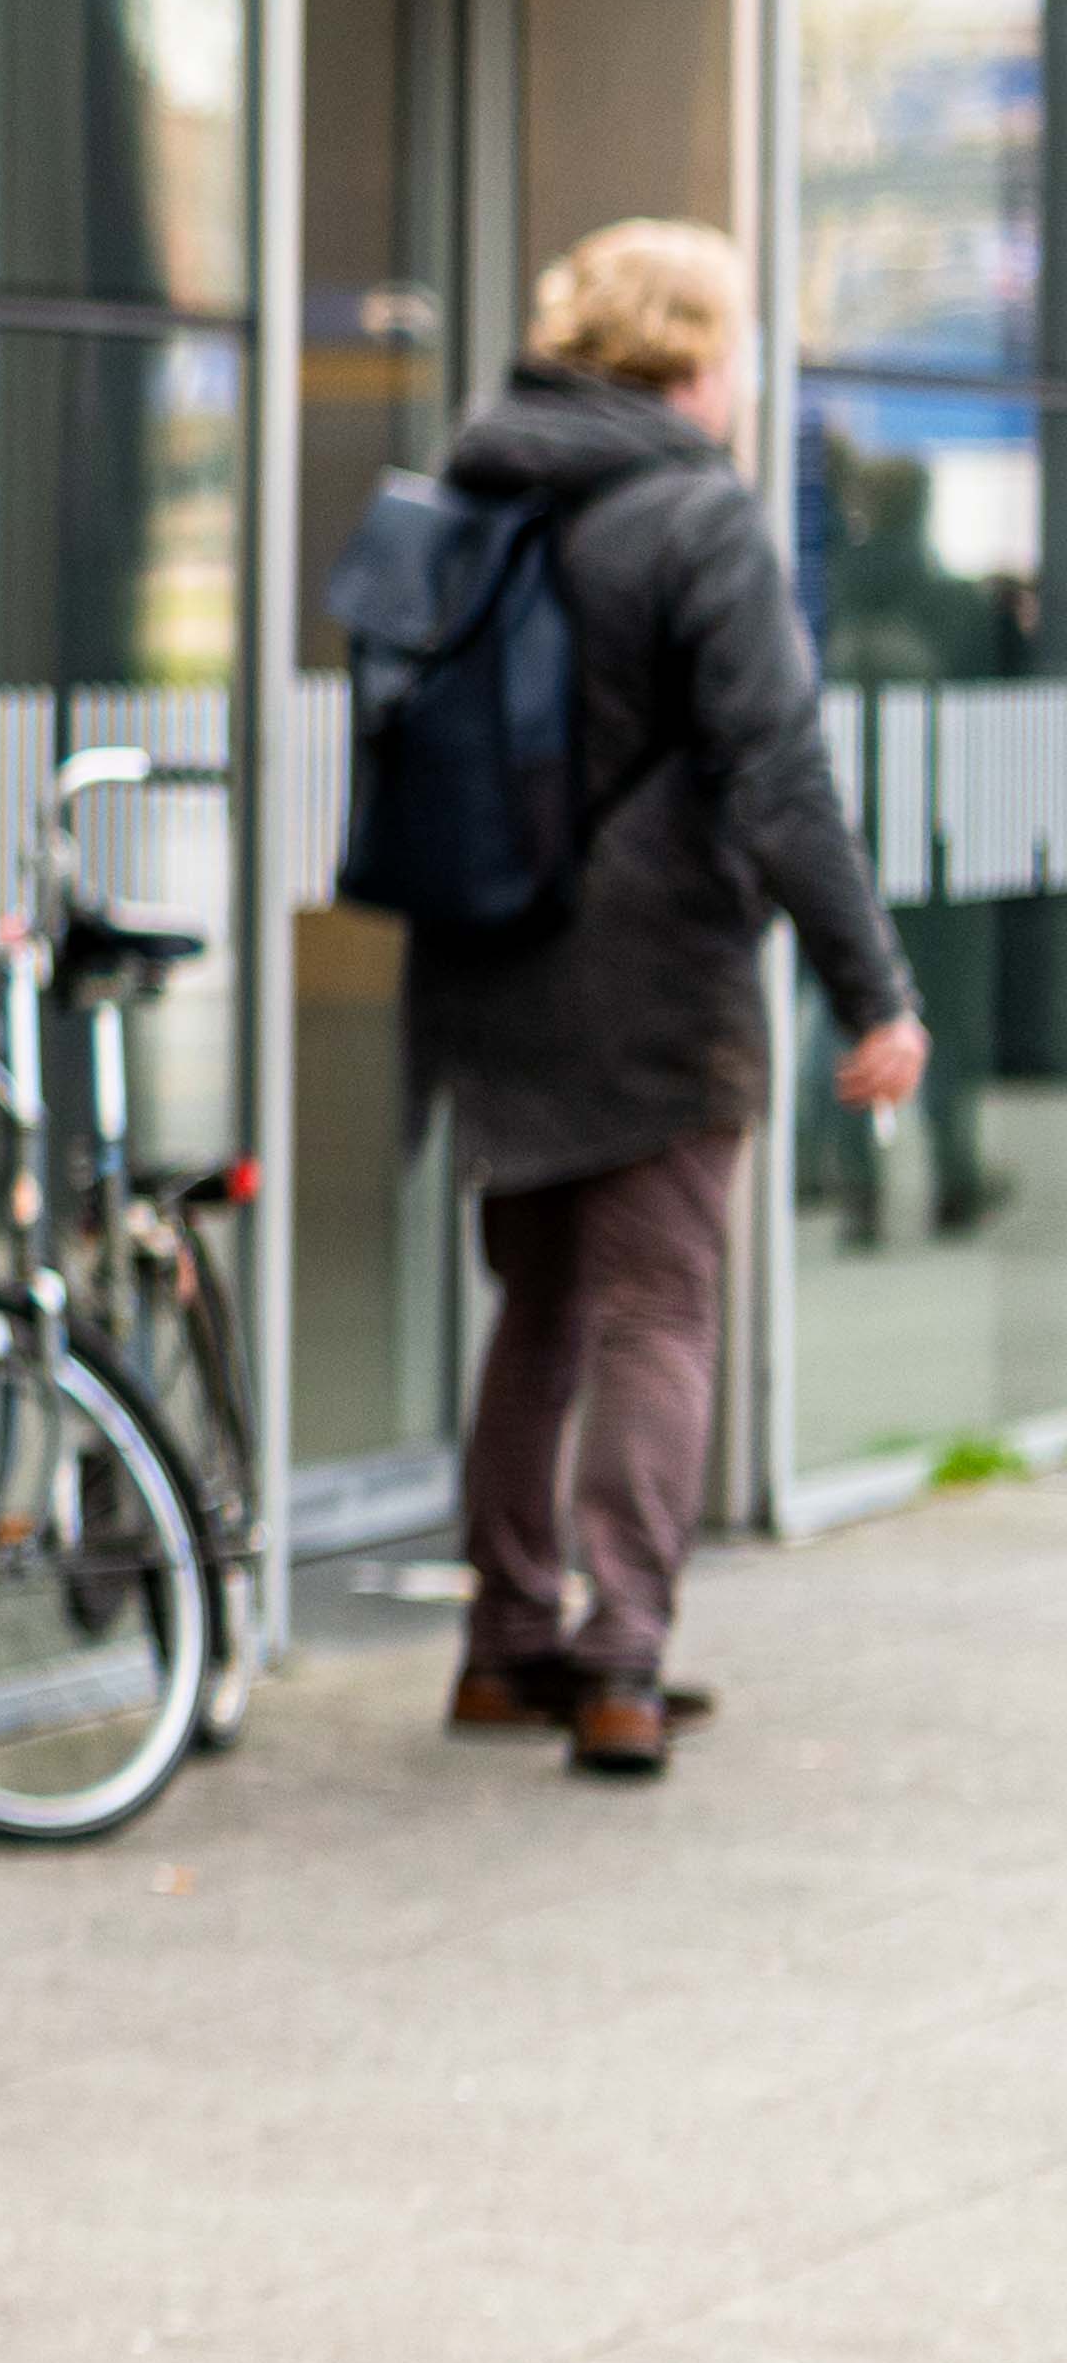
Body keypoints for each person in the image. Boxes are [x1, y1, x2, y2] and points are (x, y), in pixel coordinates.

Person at [407, 218, 924, 1780]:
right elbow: (781, 775)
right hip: (655, 979)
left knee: (542, 1311)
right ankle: (622, 1655)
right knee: (659, 1310)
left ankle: (506, 1643)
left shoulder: (471, 485)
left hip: (488, 958)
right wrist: (873, 993)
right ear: (696, 357)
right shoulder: (699, 517)